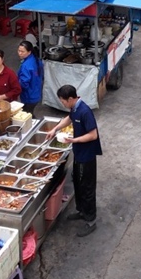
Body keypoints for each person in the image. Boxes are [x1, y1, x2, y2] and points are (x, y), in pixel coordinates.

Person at [46, 85, 102, 238]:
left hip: (86, 156)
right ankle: (82, 211)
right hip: (79, 153)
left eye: (63, 101)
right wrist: (55, 129)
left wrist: (73, 140)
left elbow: (93, 135)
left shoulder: (85, 111)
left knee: (87, 187)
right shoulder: (75, 108)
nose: (62, 103)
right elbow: (69, 119)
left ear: (70, 99)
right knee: (77, 182)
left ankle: (91, 220)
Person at [17, 41, 43, 114]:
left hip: (28, 97)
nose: (20, 53)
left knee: (26, 115)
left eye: (22, 51)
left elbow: (24, 83)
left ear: (29, 52)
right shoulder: (36, 60)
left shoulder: (26, 66)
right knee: (30, 113)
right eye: (19, 50)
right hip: (36, 93)